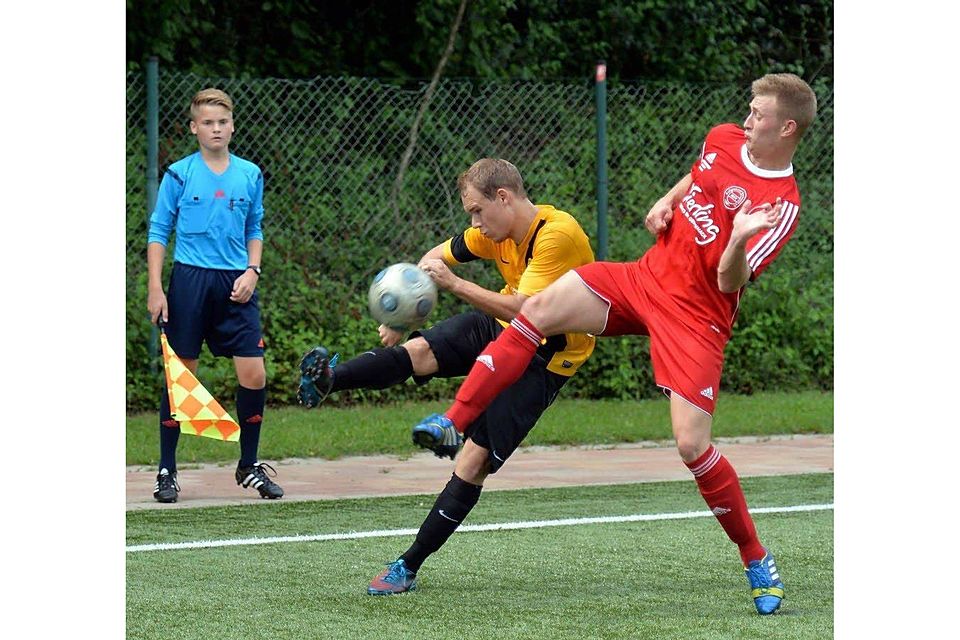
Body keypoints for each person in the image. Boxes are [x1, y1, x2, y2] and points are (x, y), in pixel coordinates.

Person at [413, 74, 818, 615]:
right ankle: (454, 419)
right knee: (537, 310)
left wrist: (740, 236)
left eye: (759, 115)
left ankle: (756, 557)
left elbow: (727, 281)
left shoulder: (780, 206)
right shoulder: (723, 138)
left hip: (696, 318)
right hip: (644, 279)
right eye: (748, 109)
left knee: (692, 446)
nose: (746, 120)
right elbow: (698, 176)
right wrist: (666, 200)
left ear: (787, 127)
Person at [296, 158, 596, 595]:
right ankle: (328, 380)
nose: (473, 223)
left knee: (472, 461)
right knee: (417, 352)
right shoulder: (495, 232)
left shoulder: (557, 235)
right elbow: (432, 258)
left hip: (547, 354)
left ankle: (407, 565)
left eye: (477, 211)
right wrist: (403, 307)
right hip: (507, 325)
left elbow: (527, 311)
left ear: (504, 198)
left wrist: (454, 286)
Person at [146, 88, 283, 503]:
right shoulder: (179, 174)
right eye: (207, 122)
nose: (216, 128)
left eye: (222, 122)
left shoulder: (250, 173)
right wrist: (156, 287)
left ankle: (249, 466)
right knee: (181, 378)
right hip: (189, 283)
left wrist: (253, 271)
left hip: (235, 285)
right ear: (194, 128)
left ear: (233, 126)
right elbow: (157, 232)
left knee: (254, 374)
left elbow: (254, 228)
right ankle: (167, 471)